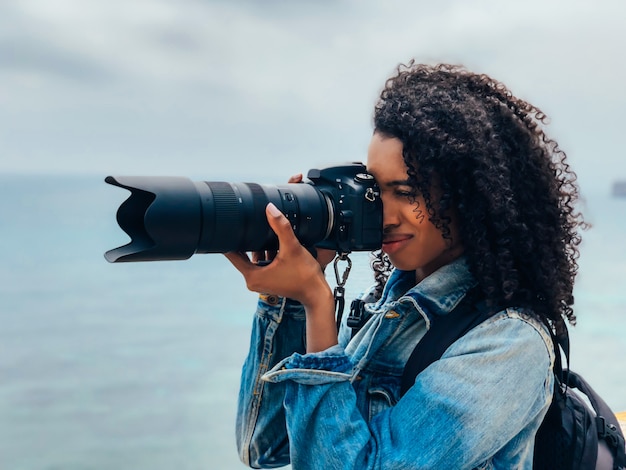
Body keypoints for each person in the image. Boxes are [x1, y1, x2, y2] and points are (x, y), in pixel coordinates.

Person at [225, 62, 586, 469]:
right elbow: (266, 447)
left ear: (470, 198)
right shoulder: (384, 310)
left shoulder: (509, 344)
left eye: (406, 191)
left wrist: (316, 302)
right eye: (376, 192)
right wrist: (286, 301)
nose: (385, 215)